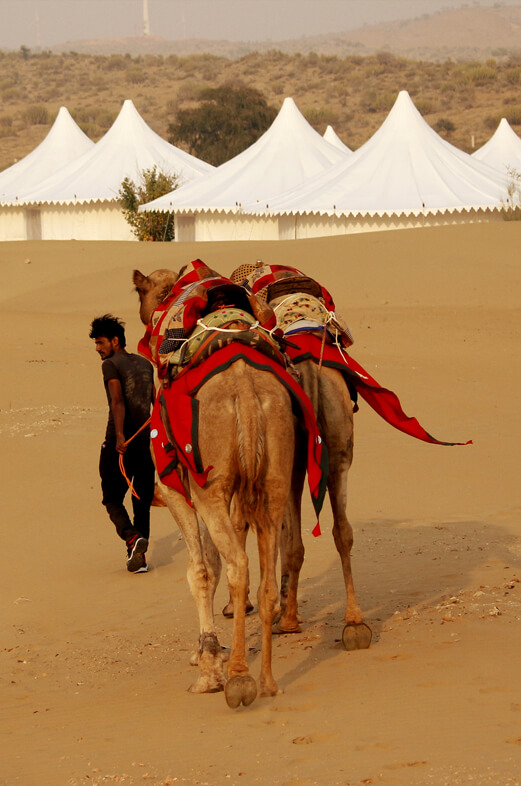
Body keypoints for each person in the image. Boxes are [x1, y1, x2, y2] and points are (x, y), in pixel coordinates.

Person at [89, 314, 155, 574]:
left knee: (111, 499)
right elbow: (156, 402)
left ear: (115, 341)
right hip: (145, 443)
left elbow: (117, 400)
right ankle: (139, 558)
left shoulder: (111, 365)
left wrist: (118, 436)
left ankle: (131, 537)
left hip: (119, 444)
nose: (98, 348)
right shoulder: (145, 364)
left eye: (101, 342)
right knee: (141, 501)